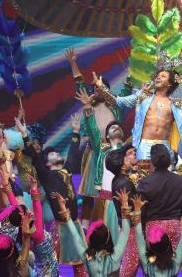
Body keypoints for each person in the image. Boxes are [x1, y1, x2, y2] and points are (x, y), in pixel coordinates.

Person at [93, 58, 182, 171]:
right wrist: (101, 89)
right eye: (158, 76)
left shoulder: (178, 105)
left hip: (164, 147)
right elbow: (118, 102)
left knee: (163, 184)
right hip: (144, 146)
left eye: (163, 76)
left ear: (170, 83)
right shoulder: (142, 97)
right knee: (144, 183)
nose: (158, 77)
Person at [65, 47, 133, 228]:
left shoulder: (116, 106)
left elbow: (128, 87)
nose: (96, 90)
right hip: (94, 151)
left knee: (114, 190)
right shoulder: (89, 104)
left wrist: (132, 68)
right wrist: (73, 63)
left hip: (115, 152)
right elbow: (79, 84)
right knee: (89, 193)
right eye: (95, 87)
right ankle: (86, 225)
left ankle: (114, 223)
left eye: (100, 88)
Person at [17, 115, 87, 276]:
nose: (56, 153)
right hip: (61, 227)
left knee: (81, 266)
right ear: (47, 163)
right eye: (52, 154)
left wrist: (76, 131)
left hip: (75, 225)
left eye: (56, 153)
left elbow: (74, 154)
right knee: (52, 266)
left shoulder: (66, 171)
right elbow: (34, 157)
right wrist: (24, 134)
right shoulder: (47, 176)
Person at [136, 144, 182, 276]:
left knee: (151, 263)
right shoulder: (180, 181)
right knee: (173, 262)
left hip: (153, 228)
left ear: (152, 161)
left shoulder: (145, 183)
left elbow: (140, 209)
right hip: (174, 225)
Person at [76, 86, 126, 228]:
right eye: (112, 127)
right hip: (105, 199)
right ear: (107, 135)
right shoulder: (101, 148)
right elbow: (92, 128)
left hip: (122, 198)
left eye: (118, 126)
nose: (115, 127)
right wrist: (87, 106)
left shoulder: (127, 150)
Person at [53, 189, 132, 276]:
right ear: (108, 239)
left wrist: (64, 209)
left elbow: (75, 236)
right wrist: (124, 205)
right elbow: (125, 231)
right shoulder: (115, 257)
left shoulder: (88, 258)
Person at [133, 195, 182, 276]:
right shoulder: (176, 265)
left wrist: (137, 211)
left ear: (152, 249)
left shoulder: (148, 268)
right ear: (169, 246)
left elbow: (139, 237)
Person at [106, 145, 140, 276]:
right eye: (126, 157)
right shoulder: (124, 183)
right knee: (128, 269)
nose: (129, 159)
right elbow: (133, 209)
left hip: (128, 229)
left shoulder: (119, 180)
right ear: (122, 166)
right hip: (131, 230)